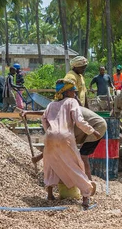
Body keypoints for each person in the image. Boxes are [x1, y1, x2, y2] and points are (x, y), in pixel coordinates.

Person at [41, 79, 102, 209]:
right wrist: (92, 131)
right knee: (76, 165)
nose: (75, 94)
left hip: (49, 137)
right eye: (73, 91)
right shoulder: (71, 102)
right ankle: (86, 196)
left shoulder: (51, 104)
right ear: (67, 92)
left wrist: (50, 133)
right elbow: (78, 120)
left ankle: (50, 194)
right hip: (65, 136)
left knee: (51, 164)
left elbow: (44, 119)